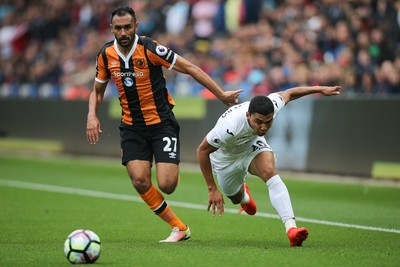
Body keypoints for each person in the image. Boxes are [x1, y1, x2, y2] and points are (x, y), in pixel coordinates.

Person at [86, 6, 242, 242]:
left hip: (161, 123)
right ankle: (180, 228)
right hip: (131, 126)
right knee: (139, 180)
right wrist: (92, 115)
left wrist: (220, 94)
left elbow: (190, 68)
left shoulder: (150, 49)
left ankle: (169, 166)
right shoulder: (105, 54)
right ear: (112, 29)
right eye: (118, 28)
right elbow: (97, 91)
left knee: (167, 185)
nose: (123, 32)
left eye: (128, 27)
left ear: (136, 26)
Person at [197, 85, 341, 246]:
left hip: (252, 146)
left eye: (268, 122)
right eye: (258, 122)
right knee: (234, 197)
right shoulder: (228, 127)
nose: (264, 127)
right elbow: (202, 151)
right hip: (225, 159)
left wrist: (320, 89)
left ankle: (291, 229)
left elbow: (289, 93)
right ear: (248, 115)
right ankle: (244, 196)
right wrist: (212, 188)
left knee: (269, 171)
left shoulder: (273, 104)